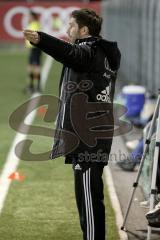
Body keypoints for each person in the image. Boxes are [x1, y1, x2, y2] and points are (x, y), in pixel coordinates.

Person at [23, 8, 121, 240]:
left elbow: (70, 53)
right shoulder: (102, 53)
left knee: (89, 199)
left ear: (84, 30)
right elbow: (72, 54)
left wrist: (42, 40)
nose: (67, 30)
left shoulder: (89, 52)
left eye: (71, 26)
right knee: (89, 196)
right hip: (92, 135)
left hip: (88, 138)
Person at [24, 10, 42, 94]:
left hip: (35, 48)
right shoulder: (35, 24)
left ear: (32, 17)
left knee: (34, 66)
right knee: (32, 66)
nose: (28, 18)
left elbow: (35, 37)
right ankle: (32, 86)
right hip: (34, 48)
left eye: (29, 16)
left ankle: (36, 87)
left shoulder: (34, 25)